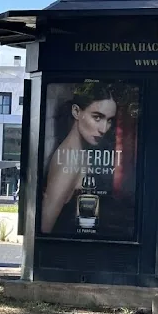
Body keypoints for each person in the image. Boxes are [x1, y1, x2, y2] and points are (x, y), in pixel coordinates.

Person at [41, 84, 117, 234]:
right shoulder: (69, 159)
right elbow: (44, 226)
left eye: (109, 120)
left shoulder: (79, 153)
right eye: (97, 117)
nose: (103, 129)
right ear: (76, 112)